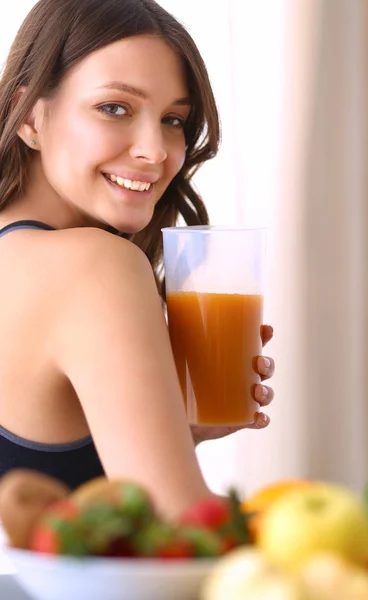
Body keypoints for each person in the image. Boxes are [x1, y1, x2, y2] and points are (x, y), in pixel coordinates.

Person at [0, 0, 275, 519]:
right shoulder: (98, 266)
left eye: (174, 119)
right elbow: (181, 532)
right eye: (115, 108)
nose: (156, 150)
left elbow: (99, 522)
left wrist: (172, 432)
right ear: (31, 116)